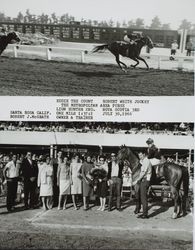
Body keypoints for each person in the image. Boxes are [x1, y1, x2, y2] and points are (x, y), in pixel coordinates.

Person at [132, 151, 152, 219]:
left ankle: (145, 214)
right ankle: (144, 213)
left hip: (145, 180)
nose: (140, 157)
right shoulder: (143, 161)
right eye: (139, 156)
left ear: (144, 154)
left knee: (143, 198)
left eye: (141, 155)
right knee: (141, 197)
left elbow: (143, 172)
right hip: (143, 180)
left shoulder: (146, 161)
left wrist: (137, 180)